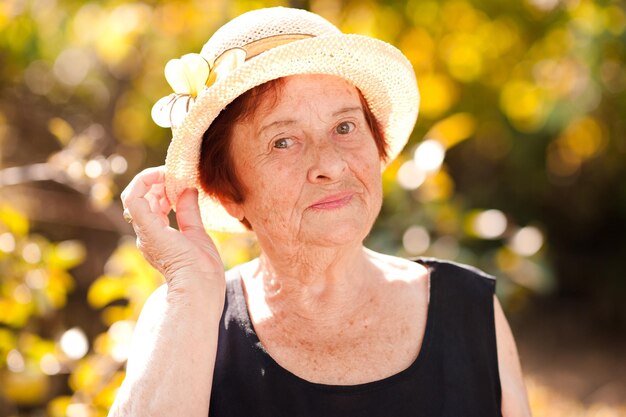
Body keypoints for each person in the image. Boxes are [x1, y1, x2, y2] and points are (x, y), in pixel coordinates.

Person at [111, 7, 531, 417]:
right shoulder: (187, 318)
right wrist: (191, 288)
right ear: (228, 192)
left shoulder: (469, 308)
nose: (330, 165)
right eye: (283, 141)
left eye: (345, 128)